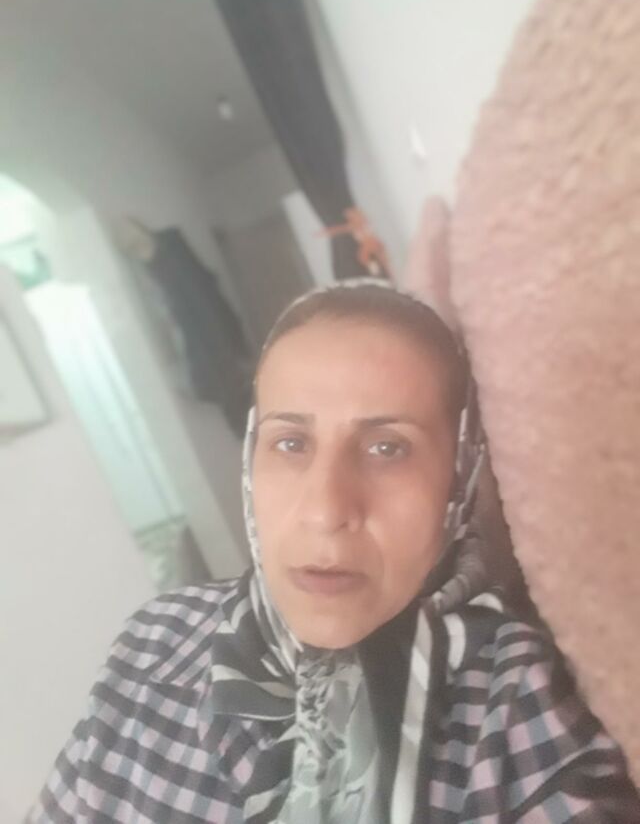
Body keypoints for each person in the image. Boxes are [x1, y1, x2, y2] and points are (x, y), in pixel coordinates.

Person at [29, 282, 640, 823]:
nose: (326, 509)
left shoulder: (508, 708)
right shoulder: (156, 642)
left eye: (387, 448)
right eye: (291, 442)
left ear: (459, 476)